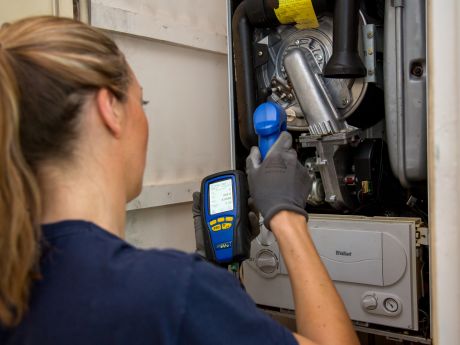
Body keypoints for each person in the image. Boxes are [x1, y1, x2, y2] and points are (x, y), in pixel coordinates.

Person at [0, 16, 359, 345]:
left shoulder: (13, 287)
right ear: (109, 109)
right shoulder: (169, 292)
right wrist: (286, 219)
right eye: (143, 102)